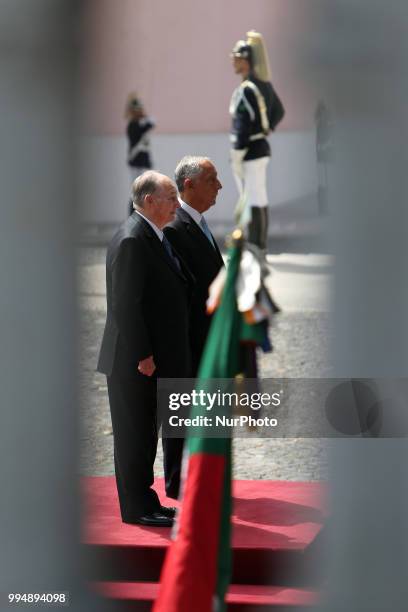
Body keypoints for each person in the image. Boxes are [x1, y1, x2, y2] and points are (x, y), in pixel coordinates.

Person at [97, 171, 194, 527]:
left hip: (144, 358)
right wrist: (143, 355)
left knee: (144, 433)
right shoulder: (133, 240)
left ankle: (146, 501)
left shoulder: (150, 236)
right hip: (132, 361)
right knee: (134, 436)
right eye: (171, 198)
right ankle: (137, 508)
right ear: (150, 201)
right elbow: (125, 305)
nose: (176, 205)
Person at [164, 156, 224, 375]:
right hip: (195, 353)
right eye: (211, 180)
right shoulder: (173, 228)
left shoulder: (198, 222)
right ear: (189, 185)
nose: (219, 185)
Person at [229, 31, 285, 254]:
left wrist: (237, 152)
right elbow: (279, 111)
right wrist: (267, 128)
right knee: (260, 197)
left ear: (246, 61)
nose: (233, 61)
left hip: (249, 151)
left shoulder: (245, 90)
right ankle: (260, 244)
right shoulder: (265, 85)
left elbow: (241, 127)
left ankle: (253, 246)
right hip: (262, 148)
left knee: (251, 198)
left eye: (236, 58)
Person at [125, 92, 155, 216]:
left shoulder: (139, 124)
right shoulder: (132, 125)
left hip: (144, 162)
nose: (140, 112)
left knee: (147, 190)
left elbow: (151, 123)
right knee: (137, 191)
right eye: (137, 110)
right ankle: (133, 215)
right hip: (136, 162)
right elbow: (148, 125)